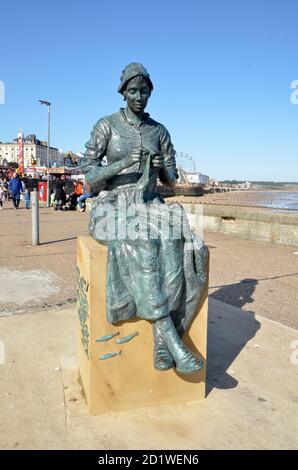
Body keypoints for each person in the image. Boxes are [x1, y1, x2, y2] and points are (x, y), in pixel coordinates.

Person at [82, 63, 208, 374]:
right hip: (113, 206)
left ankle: (163, 344)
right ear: (123, 92)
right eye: (133, 91)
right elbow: (89, 177)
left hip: (152, 204)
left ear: (151, 92)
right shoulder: (106, 126)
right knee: (140, 240)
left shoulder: (159, 131)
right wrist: (122, 163)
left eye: (144, 91)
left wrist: (165, 166)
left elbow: (170, 181)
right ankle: (171, 340)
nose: (139, 96)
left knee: (189, 250)